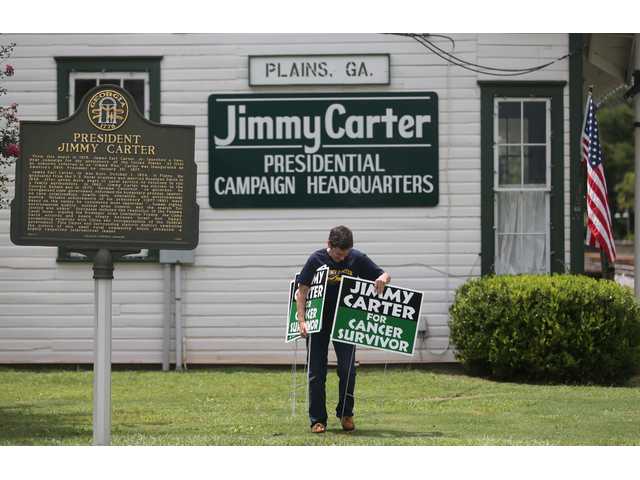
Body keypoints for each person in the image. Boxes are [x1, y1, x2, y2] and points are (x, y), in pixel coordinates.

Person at [295, 225, 390, 433]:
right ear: (329, 245)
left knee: (348, 369)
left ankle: (346, 413)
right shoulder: (315, 260)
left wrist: (383, 278)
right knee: (316, 372)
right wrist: (302, 320)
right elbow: (301, 291)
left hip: (345, 323)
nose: (341, 258)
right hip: (318, 324)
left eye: (345, 254)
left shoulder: (357, 258)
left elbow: (383, 274)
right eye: (338, 254)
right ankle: (317, 420)